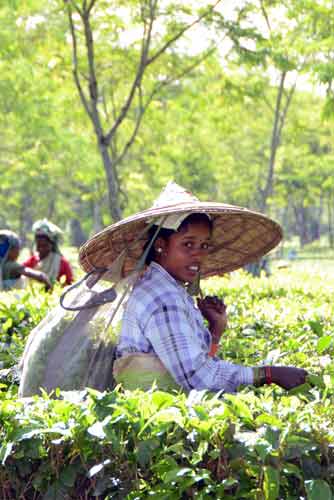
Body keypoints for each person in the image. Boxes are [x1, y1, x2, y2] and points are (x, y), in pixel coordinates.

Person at [77, 182, 308, 394]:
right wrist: (269, 374)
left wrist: (215, 330)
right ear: (161, 246)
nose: (198, 254)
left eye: (204, 245)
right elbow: (198, 379)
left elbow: (194, 364)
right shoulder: (161, 296)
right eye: (188, 244)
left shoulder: (169, 289)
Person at [23, 219, 73, 286]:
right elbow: (21, 271)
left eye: (44, 246)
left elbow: (69, 284)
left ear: (51, 245)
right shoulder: (32, 261)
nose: (41, 249)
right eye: (39, 245)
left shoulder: (62, 263)